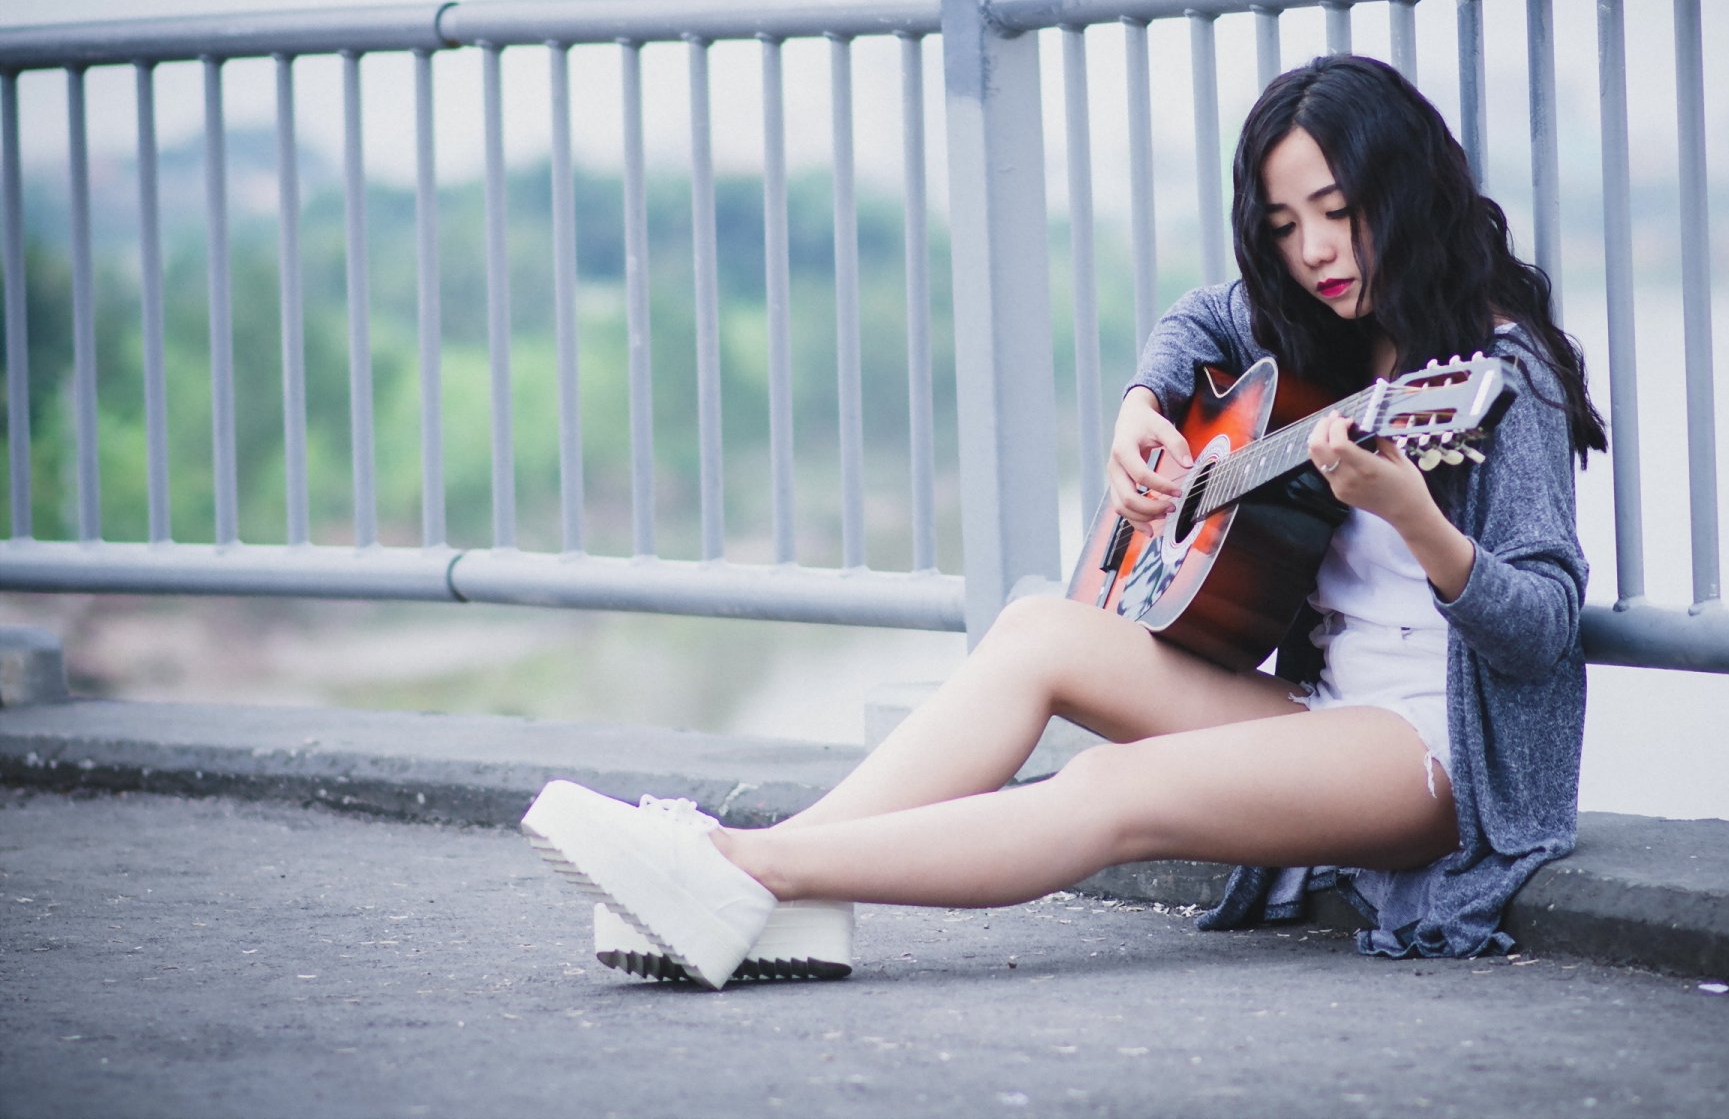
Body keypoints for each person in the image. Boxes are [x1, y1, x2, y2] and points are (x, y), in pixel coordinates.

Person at [521, 53, 1609, 990]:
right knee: (1040, 626)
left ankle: (742, 869)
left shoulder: (1502, 375)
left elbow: (1543, 627)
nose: (1317, 252)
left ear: (1405, 194)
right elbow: (1196, 319)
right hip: (1322, 712)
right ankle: (763, 885)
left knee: (1110, 788)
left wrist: (1418, 521)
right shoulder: (1315, 326)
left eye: (1338, 211)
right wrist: (1141, 405)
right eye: (1286, 227)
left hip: (1434, 757)